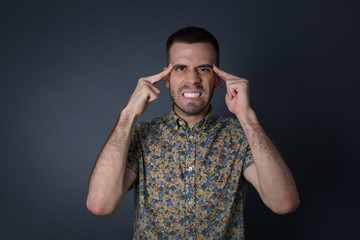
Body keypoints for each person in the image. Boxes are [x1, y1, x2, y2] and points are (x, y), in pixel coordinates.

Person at [86, 26, 300, 239]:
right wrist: (128, 115)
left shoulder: (240, 135)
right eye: (180, 68)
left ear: (217, 79)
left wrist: (247, 118)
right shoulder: (141, 135)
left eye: (204, 69)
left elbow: (283, 203)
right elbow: (100, 205)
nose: (193, 79)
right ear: (166, 78)